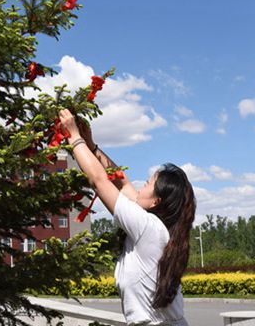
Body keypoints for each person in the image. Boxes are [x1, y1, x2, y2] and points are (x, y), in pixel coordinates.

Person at [58, 109, 196, 326]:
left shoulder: (148, 228)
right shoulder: (157, 227)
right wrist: (92, 146)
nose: (142, 185)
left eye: (149, 183)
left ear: (156, 202)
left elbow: (100, 181)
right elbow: (121, 182)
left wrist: (74, 137)